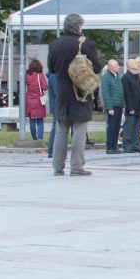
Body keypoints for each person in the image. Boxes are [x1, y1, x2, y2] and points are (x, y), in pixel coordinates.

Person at [48, 13, 102, 176]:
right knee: (79, 130)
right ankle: (77, 166)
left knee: (61, 130)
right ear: (78, 26)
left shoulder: (55, 44)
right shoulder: (85, 44)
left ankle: (57, 167)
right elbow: (98, 67)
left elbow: (51, 69)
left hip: (62, 93)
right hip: (80, 92)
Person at [98, 59, 124, 154]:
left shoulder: (117, 77)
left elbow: (121, 92)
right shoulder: (106, 77)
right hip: (112, 106)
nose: (119, 67)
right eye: (117, 65)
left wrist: (123, 105)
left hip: (118, 105)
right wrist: (109, 108)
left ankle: (114, 146)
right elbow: (105, 93)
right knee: (111, 127)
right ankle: (109, 148)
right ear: (111, 67)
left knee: (117, 127)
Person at [121, 58, 140, 154]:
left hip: (138, 106)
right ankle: (127, 145)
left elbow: (139, 91)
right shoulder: (126, 77)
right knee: (129, 127)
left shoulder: (136, 76)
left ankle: (135, 144)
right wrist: (129, 108)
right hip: (131, 107)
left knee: (136, 127)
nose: (137, 64)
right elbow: (126, 94)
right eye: (135, 63)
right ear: (130, 65)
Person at [25, 58, 48, 141]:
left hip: (29, 99)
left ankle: (34, 139)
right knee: (40, 121)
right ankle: (40, 139)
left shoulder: (27, 75)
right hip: (39, 100)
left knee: (32, 121)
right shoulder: (40, 75)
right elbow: (45, 87)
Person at [46, 66, 58, 158]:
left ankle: (53, 149)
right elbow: (57, 92)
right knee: (56, 128)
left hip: (57, 105)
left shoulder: (54, 75)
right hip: (57, 106)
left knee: (57, 128)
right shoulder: (54, 75)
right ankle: (51, 150)